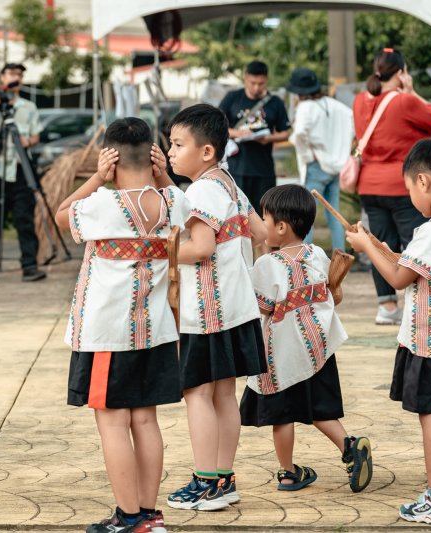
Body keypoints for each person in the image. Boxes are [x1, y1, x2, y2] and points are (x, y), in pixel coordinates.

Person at [55, 118, 189, 533]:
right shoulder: (171, 202)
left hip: (106, 334)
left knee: (112, 422)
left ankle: (128, 517)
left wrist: (97, 177)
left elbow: (61, 215)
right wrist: (164, 176)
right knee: (145, 420)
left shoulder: (101, 204)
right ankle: (149, 515)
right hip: (155, 331)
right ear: (154, 154)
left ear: (110, 157)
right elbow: (182, 204)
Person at [346, 140, 431, 525]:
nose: (410, 196)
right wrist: (376, 244)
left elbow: (396, 277)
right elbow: (415, 268)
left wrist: (364, 248)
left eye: (408, 188)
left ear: (423, 181)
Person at [165, 104, 267, 511]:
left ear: (206, 152)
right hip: (237, 308)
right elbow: (260, 232)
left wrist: (163, 252)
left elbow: (202, 247)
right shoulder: (228, 184)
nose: (170, 152)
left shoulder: (201, 190)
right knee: (224, 394)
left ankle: (206, 481)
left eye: (177, 144)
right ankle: (223, 479)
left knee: (197, 394)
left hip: (207, 312)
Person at [239, 184, 373, 493]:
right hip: (317, 349)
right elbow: (331, 297)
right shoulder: (317, 254)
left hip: (282, 353)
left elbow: (261, 306)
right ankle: (350, 448)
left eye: (265, 218)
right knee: (318, 409)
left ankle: (288, 473)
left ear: (281, 227)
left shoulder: (266, 265)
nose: (262, 222)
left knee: (282, 415)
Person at [352, 48, 431, 325]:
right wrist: (412, 91)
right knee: (414, 244)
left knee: (379, 245)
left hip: (369, 184)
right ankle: (419, 304)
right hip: (403, 186)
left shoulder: (359, 101)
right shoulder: (404, 101)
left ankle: (387, 306)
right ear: (401, 72)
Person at [0, 62, 46, 282]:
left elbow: (36, 136)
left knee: (25, 218)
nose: (16, 78)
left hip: (21, 167)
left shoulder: (28, 107)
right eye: (12, 73)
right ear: (2, 77)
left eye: (19, 75)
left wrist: (28, 141)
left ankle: (30, 266)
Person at [286, 68, 354, 252]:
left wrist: (309, 155)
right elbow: (352, 124)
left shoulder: (305, 107)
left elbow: (299, 133)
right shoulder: (335, 105)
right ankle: (340, 255)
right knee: (335, 214)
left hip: (316, 165)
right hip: (336, 166)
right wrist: (341, 150)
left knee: (307, 215)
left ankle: (305, 258)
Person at [219, 60, 291, 215]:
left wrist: (269, 138)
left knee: (265, 214)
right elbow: (217, 125)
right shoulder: (233, 98)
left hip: (263, 170)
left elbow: (285, 132)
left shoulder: (275, 102)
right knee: (237, 214)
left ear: (266, 80)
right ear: (245, 78)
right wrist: (238, 133)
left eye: (261, 83)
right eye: (253, 83)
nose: (256, 87)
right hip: (236, 168)